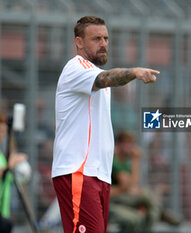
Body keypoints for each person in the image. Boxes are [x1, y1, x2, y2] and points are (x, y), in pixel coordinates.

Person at [51, 16, 159, 233]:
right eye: (96, 38)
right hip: (78, 172)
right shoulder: (76, 68)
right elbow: (108, 78)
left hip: (98, 175)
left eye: (106, 38)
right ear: (79, 42)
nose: (103, 43)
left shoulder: (94, 73)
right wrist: (134, 72)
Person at [109, 131, 181, 231]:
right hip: (114, 200)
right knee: (145, 195)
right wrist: (136, 160)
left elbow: (132, 185)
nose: (131, 147)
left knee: (151, 212)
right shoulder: (115, 160)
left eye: (132, 143)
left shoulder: (124, 162)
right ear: (119, 144)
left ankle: (159, 211)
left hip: (123, 199)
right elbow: (128, 184)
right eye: (127, 143)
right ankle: (162, 212)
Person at [0, 114, 28, 233]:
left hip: (3, 211)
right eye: (0, 131)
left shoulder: (2, 155)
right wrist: (10, 164)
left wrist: (21, 171)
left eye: (4, 131)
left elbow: (8, 178)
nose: (3, 135)